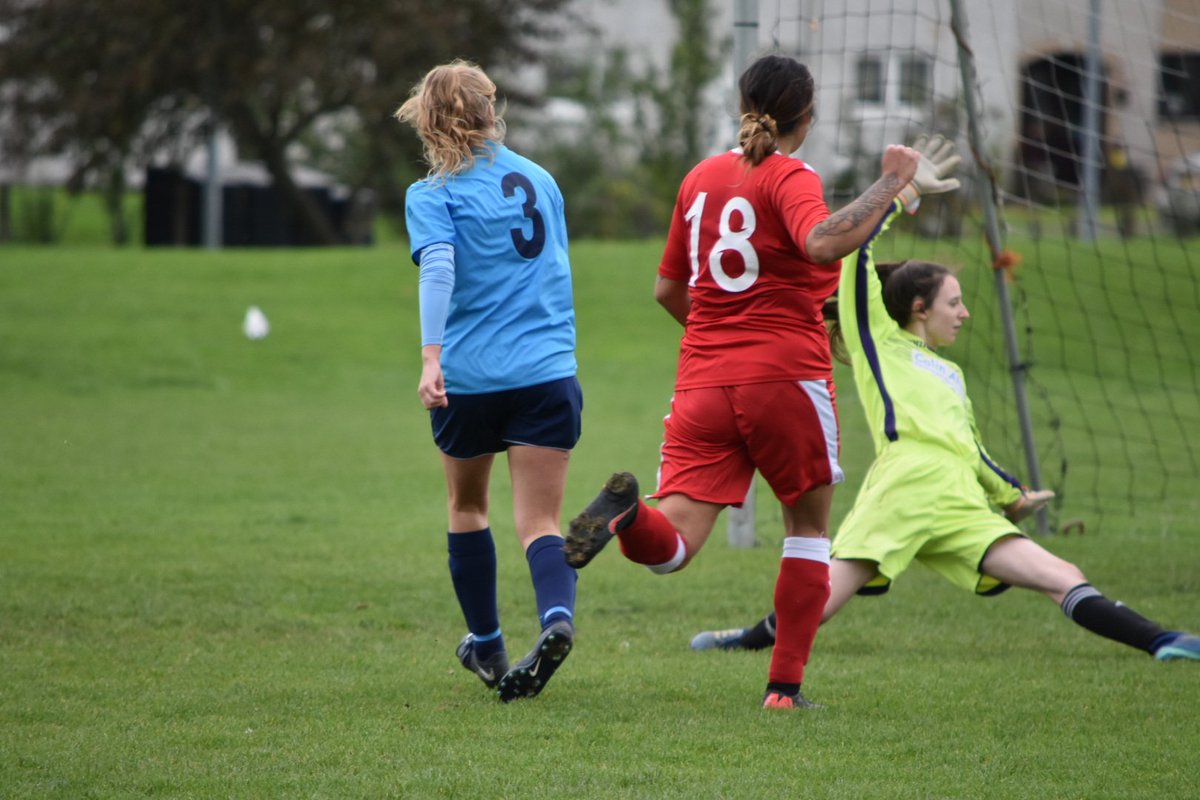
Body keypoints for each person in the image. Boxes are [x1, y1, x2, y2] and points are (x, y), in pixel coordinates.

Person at [689, 142, 1200, 666]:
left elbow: (968, 448)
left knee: (1063, 577)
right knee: (816, 600)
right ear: (918, 309)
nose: (965, 313)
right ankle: (743, 641)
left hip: (958, 500)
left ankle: (1163, 641)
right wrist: (901, 191)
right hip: (904, 490)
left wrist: (1012, 495)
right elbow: (854, 255)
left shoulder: (950, 373)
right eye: (953, 303)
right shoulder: (881, 344)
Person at [563, 54, 930, 711]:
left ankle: (626, 514)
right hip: (786, 376)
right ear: (807, 118)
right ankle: (784, 692)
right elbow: (820, 244)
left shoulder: (700, 177)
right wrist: (891, 183)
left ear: (743, 105)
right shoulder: (790, 174)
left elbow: (668, 288)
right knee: (809, 530)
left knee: (669, 548)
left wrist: (722, 338)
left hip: (704, 379)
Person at [397, 60, 582, 703]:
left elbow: (439, 266)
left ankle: (489, 645)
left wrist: (430, 357)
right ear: (488, 111)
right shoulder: (541, 179)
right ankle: (557, 617)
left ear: (427, 121)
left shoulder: (433, 193)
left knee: (469, 507)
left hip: (472, 377)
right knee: (541, 521)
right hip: (547, 371)